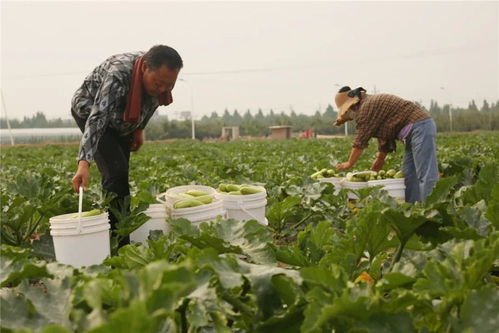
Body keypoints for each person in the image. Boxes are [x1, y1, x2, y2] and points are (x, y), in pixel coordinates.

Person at [71, 45, 183, 244]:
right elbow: (98, 117)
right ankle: (117, 243)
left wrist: (139, 129)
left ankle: (120, 235)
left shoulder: (160, 83)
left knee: (120, 174)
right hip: (90, 112)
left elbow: (149, 105)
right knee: (116, 173)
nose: (163, 90)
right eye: (159, 83)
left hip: (123, 121)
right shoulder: (118, 74)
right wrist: (83, 163)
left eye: (169, 85)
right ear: (144, 68)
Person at [334, 86, 439, 203]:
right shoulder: (369, 105)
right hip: (413, 132)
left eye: (348, 110)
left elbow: (360, 139)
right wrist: (380, 160)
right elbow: (385, 136)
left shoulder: (366, 107)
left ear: (353, 104)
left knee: (426, 173)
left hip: (420, 127)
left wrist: (350, 162)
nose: (350, 113)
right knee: (409, 174)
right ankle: (413, 209)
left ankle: (431, 209)